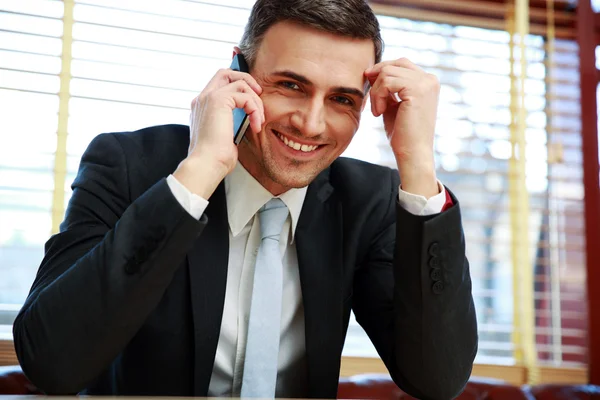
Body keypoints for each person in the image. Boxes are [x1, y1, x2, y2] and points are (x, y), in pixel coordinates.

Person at [13, 0, 477, 398]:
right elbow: (51, 360)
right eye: (291, 85)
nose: (311, 124)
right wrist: (201, 170)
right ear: (239, 71)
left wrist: (417, 162)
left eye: (341, 100)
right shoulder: (128, 165)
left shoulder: (367, 203)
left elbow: (436, 379)